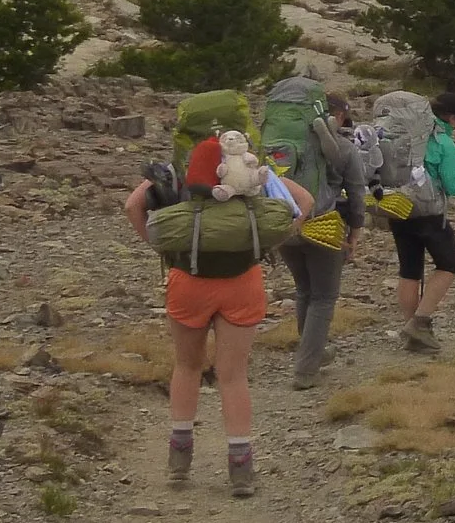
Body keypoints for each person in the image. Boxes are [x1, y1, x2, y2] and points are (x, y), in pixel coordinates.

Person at [125, 128, 313, 496]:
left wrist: (161, 249)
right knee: (233, 375)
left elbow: (133, 206)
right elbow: (303, 202)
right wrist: (273, 240)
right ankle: (240, 467)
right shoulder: (253, 169)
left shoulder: (175, 171)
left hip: (188, 280)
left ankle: (179, 462)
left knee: (187, 365)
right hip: (242, 280)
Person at [279, 94, 368, 391]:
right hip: (325, 226)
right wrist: (355, 231)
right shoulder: (344, 148)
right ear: (339, 115)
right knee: (324, 296)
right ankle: (306, 368)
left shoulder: (285, 148)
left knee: (304, 290)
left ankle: (312, 352)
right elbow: (356, 193)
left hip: (286, 226)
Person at [393, 89, 455, 353]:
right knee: (448, 264)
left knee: (409, 269)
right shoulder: (443, 142)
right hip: (429, 213)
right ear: (451, 117)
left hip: (399, 207)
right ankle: (420, 322)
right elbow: (454, 185)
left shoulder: (406, 135)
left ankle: (411, 331)